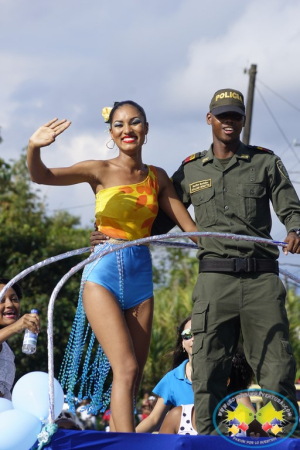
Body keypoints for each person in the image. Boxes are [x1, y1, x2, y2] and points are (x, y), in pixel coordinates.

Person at [91, 89, 300, 436]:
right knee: (208, 368)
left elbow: (290, 207)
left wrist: (295, 228)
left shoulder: (265, 161)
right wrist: (108, 233)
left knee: (276, 366)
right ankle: (210, 443)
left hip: (261, 279)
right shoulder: (190, 169)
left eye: (235, 116)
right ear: (210, 120)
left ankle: (280, 442)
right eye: (222, 116)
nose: (228, 122)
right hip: (215, 281)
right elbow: (152, 218)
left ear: (243, 120)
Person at [27, 101, 198, 433]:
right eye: (119, 125)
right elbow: (41, 176)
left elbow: (193, 232)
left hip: (140, 278)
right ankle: (127, 443)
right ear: (111, 133)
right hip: (103, 273)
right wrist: (35, 147)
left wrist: (241, 249)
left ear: (145, 129)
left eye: (134, 123)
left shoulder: (158, 177)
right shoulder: (99, 169)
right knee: (127, 367)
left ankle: (123, 437)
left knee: (133, 375)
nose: (127, 130)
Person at [158, 343, 257, 435]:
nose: (200, 385)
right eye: (196, 379)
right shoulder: (177, 417)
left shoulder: (246, 420)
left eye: (209, 379)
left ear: (226, 382)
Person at [136, 316, 194, 433]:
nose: (193, 339)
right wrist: (123, 440)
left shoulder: (226, 372)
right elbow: (153, 419)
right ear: (182, 343)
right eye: (188, 335)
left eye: (199, 333)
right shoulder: (172, 378)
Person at [0, 277, 40, 400]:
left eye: (14, 299)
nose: (10, 304)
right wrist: (17, 326)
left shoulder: (5, 345)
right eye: (1, 300)